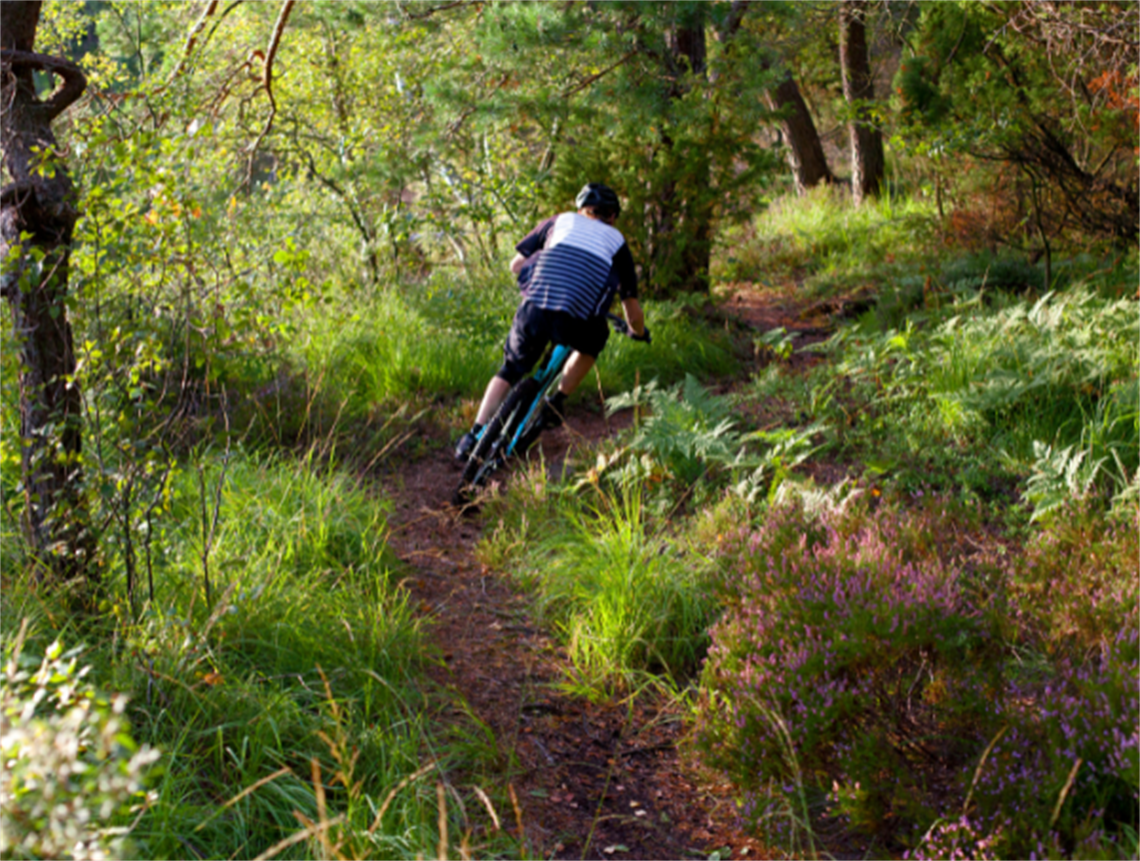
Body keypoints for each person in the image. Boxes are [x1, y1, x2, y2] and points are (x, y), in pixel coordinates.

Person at [456, 182, 647, 460]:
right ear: (612, 216)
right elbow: (632, 308)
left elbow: (515, 265)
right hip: (579, 318)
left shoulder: (560, 221)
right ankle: (557, 401)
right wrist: (637, 331)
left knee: (510, 369)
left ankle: (472, 435)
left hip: (536, 308)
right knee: (593, 341)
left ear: (581, 209)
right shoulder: (617, 241)